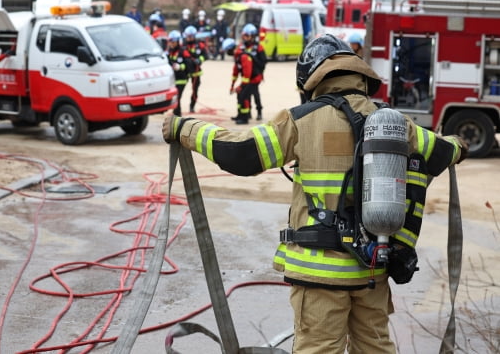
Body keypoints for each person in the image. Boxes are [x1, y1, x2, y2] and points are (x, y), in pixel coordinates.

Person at [162, 34, 468, 353]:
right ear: (359, 76)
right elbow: (440, 151)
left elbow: (240, 154)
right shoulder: (392, 123)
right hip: (373, 270)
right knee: (376, 348)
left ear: (311, 81)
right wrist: (460, 146)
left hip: (319, 275)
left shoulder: (301, 120)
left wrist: (185, 129)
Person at [227, 23, 265, 123]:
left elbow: (263, 62)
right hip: (247, 77)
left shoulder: (258, 48)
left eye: (247, 36)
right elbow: (237, 64)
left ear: (252, 36)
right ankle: (244, 114)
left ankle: (258, 112)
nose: (245, 38)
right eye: (244, 35)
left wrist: (251, 58)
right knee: (243, 94)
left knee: (254, 94)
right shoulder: (241, 47)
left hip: (255, 77)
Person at [166, 30, 194, 116]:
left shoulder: (183, 51)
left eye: (173, 42)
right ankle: (176, 113)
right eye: (170, 42)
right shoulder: (169, 51)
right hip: (173, 79)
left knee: (177, 97)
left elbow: (190, 65)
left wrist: (180, 67)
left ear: (178, 42)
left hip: (181, 79)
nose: (171, 44)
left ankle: (177, 115)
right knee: (174, 98)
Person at [183, 25, 208, 113]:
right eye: (187, 36)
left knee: (195, 90)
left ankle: (192, 106)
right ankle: (177, 107)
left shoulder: (199, 45)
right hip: (184, 71)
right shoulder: (183, 45)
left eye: (190, 37)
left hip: (196, 71)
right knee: (179, 89)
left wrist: (200, 59)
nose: (188, 38)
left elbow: (206, 55)